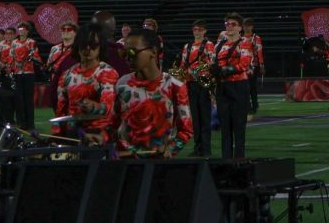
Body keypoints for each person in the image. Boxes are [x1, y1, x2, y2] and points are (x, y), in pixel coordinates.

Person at [116, 27, 193, 157]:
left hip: (159, 163)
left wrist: (171, 149)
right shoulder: (122, 84)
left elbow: (186, 130)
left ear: (153, 51)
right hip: (125, 161)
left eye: (132, 52)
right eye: (124, 54)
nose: (128, 58)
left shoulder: (175, 86)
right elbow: (113, 123)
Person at [55, 22, 120, 146]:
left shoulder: (107, 72)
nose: (88, 49)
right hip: (72, 133)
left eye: (93, 45)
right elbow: (60, 112)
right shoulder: (66, 75)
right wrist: (57, 135)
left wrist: (93, 107)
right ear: (78, 45)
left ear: (101, 46)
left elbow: (109, 108)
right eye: (84, 44)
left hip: (99, 134)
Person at [212, 12, 254, 158]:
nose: (229, 27)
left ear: (240, 28)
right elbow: (213, 63)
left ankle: (239, 160)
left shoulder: (245, 43)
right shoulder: (219, 45)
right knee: (225, 128)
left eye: (233, 24)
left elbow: (244, 64)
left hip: (239, 86)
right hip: (222, 87)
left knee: (238, 126)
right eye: (227, 24)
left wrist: (223, 70)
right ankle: (226, 160)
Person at [178, 20, 216, 156]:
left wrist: (202, 72)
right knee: (195, 119)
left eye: (200, 29)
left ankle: (206, 149)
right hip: (190, 84)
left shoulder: (209, 45)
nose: (197, 32)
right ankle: (197, 148)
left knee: (205, 117)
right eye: (195, 29)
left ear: (205, 31)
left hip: (203, 83)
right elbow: (183, 65)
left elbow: (213, 62)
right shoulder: (187, 46)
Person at [9, 22, 44, 130]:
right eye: (19, 28)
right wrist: (11, 68)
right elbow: (11, 57)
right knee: (18, 99)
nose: (21, 30)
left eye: (23, 29)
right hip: (17, 73)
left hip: (28, 73)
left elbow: (35, 56)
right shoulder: (14, 42)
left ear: (28, 31)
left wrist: (29, 61)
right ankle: (21, 123)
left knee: (28, 99)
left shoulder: (31, 42)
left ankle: (30, 124)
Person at [242, 18, 265, 118]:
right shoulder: (240, 38)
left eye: (249, 25)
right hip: (242, 66)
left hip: (253, 65)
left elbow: (259, 52)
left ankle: (254, 104)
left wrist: (261, 65)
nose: (247, 27)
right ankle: (247, 106)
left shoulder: (256, 38)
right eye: (245, 25)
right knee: (244, 87)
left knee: (252, 87)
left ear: (252, 26)